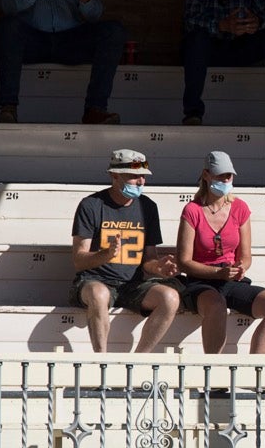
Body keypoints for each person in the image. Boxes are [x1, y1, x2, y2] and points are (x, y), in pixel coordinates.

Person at [69, 149, 182, 353]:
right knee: (99, 293)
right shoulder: (91, 205)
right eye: (133, 176)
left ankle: (136, 362)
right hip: (94, 281)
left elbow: (148, 260)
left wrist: (159, 267)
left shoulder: (148, 207)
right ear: (114, 175)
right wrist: (105, 254)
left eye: (143, 177)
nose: (140, 182)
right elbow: (78, 260)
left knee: (170, 297)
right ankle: (101, 363)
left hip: (132, 284)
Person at [175, 150, 265, 353]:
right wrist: (217, 273)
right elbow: (184, 262)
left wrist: (240, 268)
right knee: (217, 305)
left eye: (229, 175)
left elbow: (245, 256)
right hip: (200, 281)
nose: (226, 179)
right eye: (220, 175)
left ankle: (256, 370)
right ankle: (214, 375)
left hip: (230, 279)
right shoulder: (192, 210)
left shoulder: (240, 208)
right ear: (206, 175)